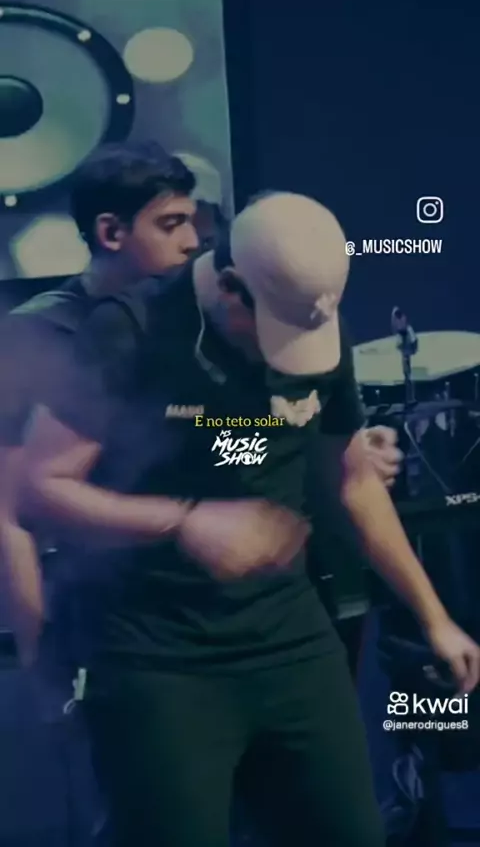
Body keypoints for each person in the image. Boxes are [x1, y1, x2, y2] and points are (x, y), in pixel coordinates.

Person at [21, 192, 480, 847]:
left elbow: (352, 482)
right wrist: (184, 521)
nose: (278, 357)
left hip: (290, 640)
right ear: (231, 285)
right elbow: (39, 488)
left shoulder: (312, 318)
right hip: (158, 656)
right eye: (270, 332)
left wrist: (434, 617)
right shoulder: (130, 332)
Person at [0, 140, 198, 666]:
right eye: (172, 224)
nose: (192, 242)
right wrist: (39, 663)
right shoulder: (35, 334)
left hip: (195, 612)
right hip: (96, 616)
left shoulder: (191, 321)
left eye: (192, 222)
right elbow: (11, 517)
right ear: (111, 232)